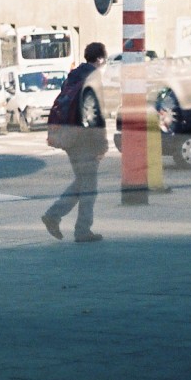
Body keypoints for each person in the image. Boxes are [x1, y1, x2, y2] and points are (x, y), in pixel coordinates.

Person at [41, 41, 109, 243]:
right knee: (89, 187)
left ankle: (55, 216)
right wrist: (101, 144)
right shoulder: (93, 78)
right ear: (99, 59)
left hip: (69, 137)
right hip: (84, 140)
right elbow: (93, 114)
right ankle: (79, 229)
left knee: (82, 182)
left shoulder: (73, 76)